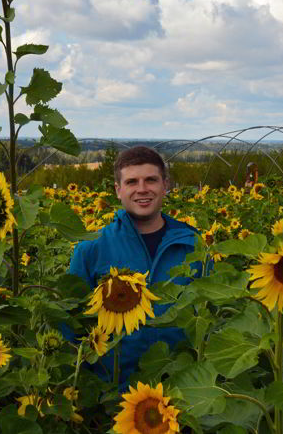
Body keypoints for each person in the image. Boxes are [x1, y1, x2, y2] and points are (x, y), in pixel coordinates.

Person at [68, 146, 199, 386]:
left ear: (165, 185)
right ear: (118, 190)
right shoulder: (91, 248)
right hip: (112, 393)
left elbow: (211, 317)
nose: (142, 189)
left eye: (151, 180)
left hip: (185, 391)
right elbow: (71, 327)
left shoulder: (193, 244)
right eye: (132, 182)